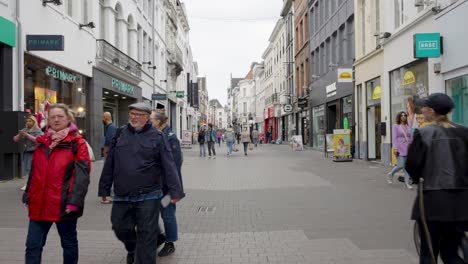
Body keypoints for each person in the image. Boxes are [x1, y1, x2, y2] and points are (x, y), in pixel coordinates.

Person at [98, 102, 184, 264]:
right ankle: (133, 248)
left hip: (149, 195)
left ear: (147, 118)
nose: (134, 117)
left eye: (139, 114)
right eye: (132, 114)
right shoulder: (120, 133)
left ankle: (153, 248)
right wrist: (104, 188)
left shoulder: (159, 137)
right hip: (123, 194)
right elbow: (110, 162)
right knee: (120, 227)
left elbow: (170, 164)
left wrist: (175, 190)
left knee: (147, 233)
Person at [23, 103, 91, 264]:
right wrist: (28, 195)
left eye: (60, 116)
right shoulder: (42, 142)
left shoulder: (77, 143)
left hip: (64, 205)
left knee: (68, 244)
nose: (56, 119)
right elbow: (34, 172)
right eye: (52, 116)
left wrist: (74, 202)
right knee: (32, 246)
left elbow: (82, 176)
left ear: (68, 119)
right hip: (39, 203)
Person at [406, 93, 468, 264]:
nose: (422, 110)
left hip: (432, 202)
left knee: (429, 254)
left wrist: (416, 177)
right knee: (451, 254)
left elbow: (412, 165)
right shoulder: (464, 132)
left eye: (424, 108)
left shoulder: (424, 133)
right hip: (461, 203)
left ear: (431, 111)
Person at [150, 110, 183, 257]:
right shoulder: (152, 135)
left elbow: (175, 165)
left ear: (158, 122)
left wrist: (172, 189)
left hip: (166, 188)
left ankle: (170, 243)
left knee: (167, 214)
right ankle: (159, 236)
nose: (148, 120)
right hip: (152, 186)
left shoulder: (170, 138)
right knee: (150, 213)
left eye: (150, 118)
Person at [13, 115, 43, 191]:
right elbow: (15, 139)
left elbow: (37, 140)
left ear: (34, 122)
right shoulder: (25, 129)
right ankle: (28, 183)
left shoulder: (37, 130)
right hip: (27, 151)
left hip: (36, 151)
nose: (28, 122)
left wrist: (27, 135)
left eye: (30, 121)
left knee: (33, 168)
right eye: (27, 121)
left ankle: (32, 184)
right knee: (27, 168)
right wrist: (20, 135)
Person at [387, 111, 413, 189]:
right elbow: (394, 138)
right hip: (399, 148)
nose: (403, 117)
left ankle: (407, 183)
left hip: (408, 148)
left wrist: (412, 147)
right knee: (401, 165)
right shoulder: (396, 126)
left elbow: (411, 138)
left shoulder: (408, 127)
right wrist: (395, 148)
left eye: (405, 115)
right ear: (399, 117)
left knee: (406, 167)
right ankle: (391, 174)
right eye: (402, 116)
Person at [101, 112, 116, 204]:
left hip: (110, 154)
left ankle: (109, 193)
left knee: (107, 173)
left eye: (102, 117)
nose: (102, 119)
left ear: (106, 118)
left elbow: (109, 141)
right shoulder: (111, 127)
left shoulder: (111, 127)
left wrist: (105, 152)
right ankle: (109, 192)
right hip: (111, 153)